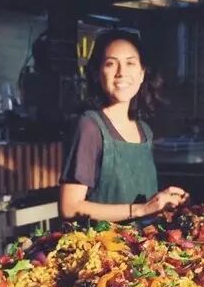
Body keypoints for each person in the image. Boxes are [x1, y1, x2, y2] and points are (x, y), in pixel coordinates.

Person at [60, 29, 188, 221]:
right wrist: (141, 210)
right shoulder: (89, 127)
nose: (121, 73)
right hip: (102, 239)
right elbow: (70, 207)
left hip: (145, 239)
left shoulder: (144, 131)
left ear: (142, 73)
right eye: (111, 64)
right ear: (97, 73)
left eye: (130, 63)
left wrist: (166, 203)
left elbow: (142, 204)